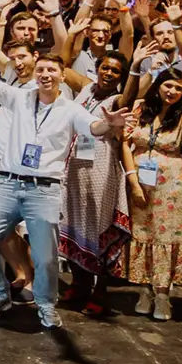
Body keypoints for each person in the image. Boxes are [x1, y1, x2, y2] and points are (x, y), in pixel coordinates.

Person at [0, 24, 127, 330]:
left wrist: (110, 125)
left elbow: (94, 127)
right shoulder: (19, 97)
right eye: (41, 70)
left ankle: (47, 304)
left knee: (47, 257)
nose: (45, 74)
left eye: (52, 70)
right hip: (7, 182)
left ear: (63, 76)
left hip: (44, 190)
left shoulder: (70, 109)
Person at [122, 68, 182, 321]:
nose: (172, 92)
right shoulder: (140, 108)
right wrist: (132, 180)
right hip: (139, 180)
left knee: (168, 235)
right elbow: (124, 142)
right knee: (142, 233)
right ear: (158, 85)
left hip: (172, 186)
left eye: (179, 88)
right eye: (168, 86)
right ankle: (144, 290)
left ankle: (162, 294)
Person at [58, 50, 132, 317]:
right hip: (75, 169)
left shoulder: (118, 100)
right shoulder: (86, 89)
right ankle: (79, 285)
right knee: (75, 224)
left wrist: (134, 70)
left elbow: (133, 94)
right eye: (105, 68)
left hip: (101, 169)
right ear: (97, 68)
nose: (109, 74)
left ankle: (100, 291)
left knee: (98, 227)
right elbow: (62, 65)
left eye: (115, 71)